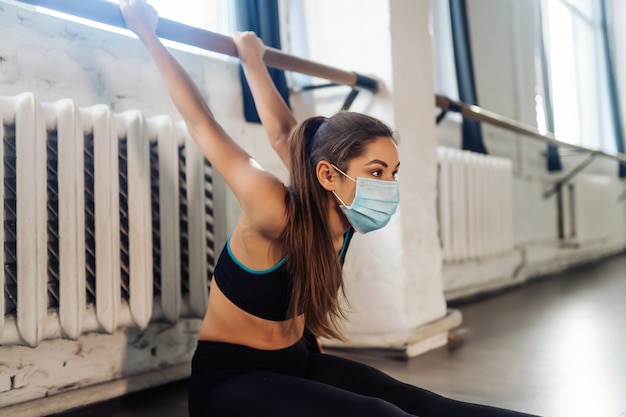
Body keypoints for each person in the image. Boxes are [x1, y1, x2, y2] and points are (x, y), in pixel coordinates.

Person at [119, 1, 539, 416]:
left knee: (425, 404)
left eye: (393, 172)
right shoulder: (275, 209)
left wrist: (253, 61)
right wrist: (148, 34)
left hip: (298, 362)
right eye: (376, 172)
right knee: (381, 414)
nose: (389, 185)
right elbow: (203, 125)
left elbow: (287, 135)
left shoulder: (346, 210)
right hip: (231, 381)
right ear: (328, 175)